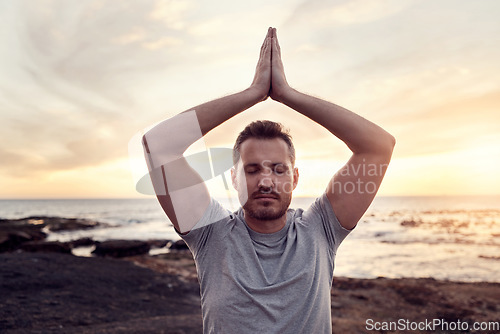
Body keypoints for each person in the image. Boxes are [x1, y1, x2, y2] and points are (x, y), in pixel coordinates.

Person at [142, 27, 395, 334]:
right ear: (234, 178)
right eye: (252, 170)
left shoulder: (320, 230)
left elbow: (378, 147)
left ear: (295, 177)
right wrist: (253, 93)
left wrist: (288, 94)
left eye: (278, 169)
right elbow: (157, 145)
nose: (265, 181)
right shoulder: (211, 234)